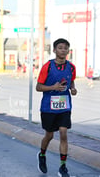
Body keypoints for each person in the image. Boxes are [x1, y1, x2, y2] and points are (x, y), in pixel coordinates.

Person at [36, 38, 77, 177]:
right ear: (54, 50)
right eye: (60, 48)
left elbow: (72, 81)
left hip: (64, 106)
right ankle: (42, 154)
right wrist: (53, 87)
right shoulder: (47, 66)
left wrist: (73, 89)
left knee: (63, 133)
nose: (63, 50)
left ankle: (63, 167)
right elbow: (38, 87)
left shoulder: (71, 67)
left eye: (65, 48)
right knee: (49, 135)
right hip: (48, 107)